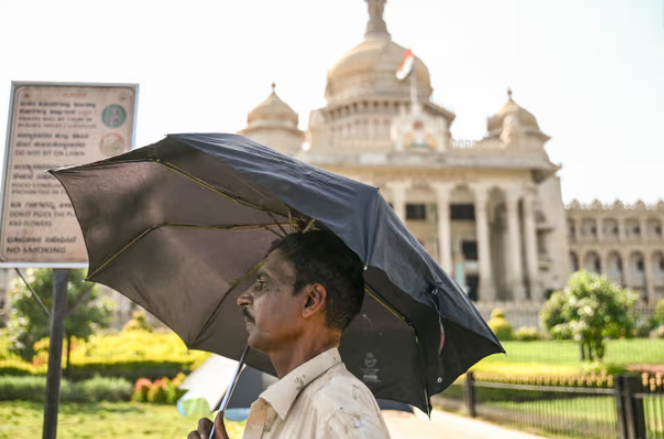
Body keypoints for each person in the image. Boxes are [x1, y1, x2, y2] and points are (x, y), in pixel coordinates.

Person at [188, 230, 391, 439]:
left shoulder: (338, 410)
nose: (243, 298)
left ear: (311, 300)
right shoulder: (297, 405)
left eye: (262, 284)